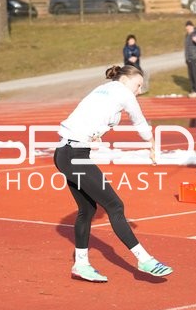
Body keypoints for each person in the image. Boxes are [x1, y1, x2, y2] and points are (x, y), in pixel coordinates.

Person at [54, 64, 173, 282]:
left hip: (65, 153)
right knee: (115, 206)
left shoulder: (102, 90)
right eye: (138, 85)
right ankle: (144, 259)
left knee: (87, 210)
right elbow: (139, 121)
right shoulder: (123, 93)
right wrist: (152, 143)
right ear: (127, 80)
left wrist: (93, 135)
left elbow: (85, 117)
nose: (139, 90)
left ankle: (81, 264)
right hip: (73, 156)